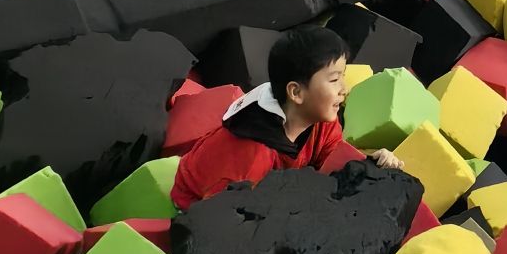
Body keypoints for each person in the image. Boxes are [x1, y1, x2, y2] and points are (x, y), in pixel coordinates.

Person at [170, 26, 401, 210]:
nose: (345, 89)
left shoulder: (322, 122)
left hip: (268, 188)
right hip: (202, 202)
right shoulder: (251, 155)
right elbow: (222, 218)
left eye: (343, 77)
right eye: (334, 80)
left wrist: (371, 162)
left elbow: (334, 164)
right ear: (296, 93)